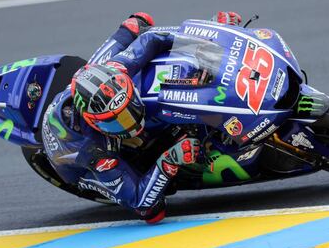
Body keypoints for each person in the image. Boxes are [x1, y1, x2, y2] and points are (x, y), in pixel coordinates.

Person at [41, 11, 242, 223]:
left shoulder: (117, 68)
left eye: (130, 109)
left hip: (91, 82)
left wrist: (203, 42)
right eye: (119, 119)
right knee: (153, 209)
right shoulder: (94, 152)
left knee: (137, 24)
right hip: (77, 164)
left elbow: (151, 38)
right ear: (97, 122)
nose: (132, 120)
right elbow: (143, 205)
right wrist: (168, 161)